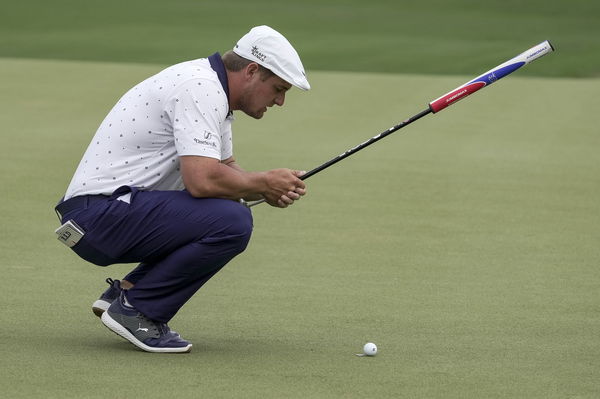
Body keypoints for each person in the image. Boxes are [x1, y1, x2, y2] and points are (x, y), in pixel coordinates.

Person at [54, 25, 310, 353]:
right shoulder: (200, 87)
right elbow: (202, 180)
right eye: (278, 88)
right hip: (99, 216)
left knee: (231, 212)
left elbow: (226, 170)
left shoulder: (211, 89)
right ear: (251, 70)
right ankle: (137, 310)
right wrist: (262, 182)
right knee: (232, 222)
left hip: (103, 213)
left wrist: (267, 190)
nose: (281, 101)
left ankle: (127, 293)